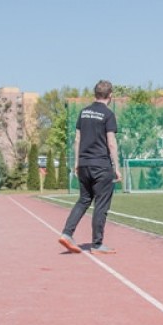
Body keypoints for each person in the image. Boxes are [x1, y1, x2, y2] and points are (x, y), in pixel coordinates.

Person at [58, 80, 123, 255]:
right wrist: (116, 167)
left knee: (83, 200)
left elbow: (77, 139)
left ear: (95, 94)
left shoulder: (83, 112)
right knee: (101, 205)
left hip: (85, 164)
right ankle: (97, 244)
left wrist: (77, 163)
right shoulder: (108, 114)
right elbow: (111, 143)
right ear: (110, 96)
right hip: (101, 165)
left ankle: (67, 233)